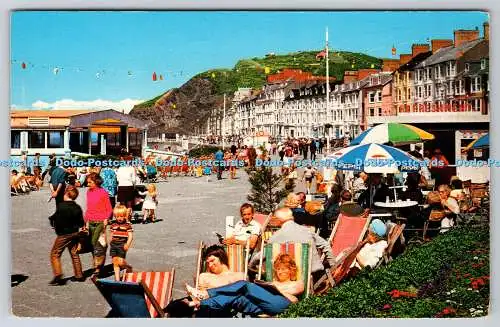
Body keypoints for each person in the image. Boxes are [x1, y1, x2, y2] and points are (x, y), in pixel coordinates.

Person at [182, 253, 304, 317]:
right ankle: (199, 303)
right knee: (236, 297)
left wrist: (270, 290)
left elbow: (297, 290)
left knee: (244, 285)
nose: (280, 271)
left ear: (291, 270)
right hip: (263, 307)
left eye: (284, 269)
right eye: (278, 269)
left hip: (283, 306)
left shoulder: (296, 283)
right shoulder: (271, 282)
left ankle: (206, 293)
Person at [252, 207, 337, 282]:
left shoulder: (276, 237)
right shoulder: (307, 231)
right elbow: (326, 245)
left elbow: (259, 256)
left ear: (279, 220)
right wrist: (333, 266)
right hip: (315, 276)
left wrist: (250, 266)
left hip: (293, 279)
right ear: (292, 217)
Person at [48, 186, 85, 285]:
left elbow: (56, 218)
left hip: (64, 234)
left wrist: (52, 221)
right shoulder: (77, 207)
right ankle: (79, 275)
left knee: (55, 253)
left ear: (66, 194)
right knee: (74, 253)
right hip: (75, 233)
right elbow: (81, 223)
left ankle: (58, 274)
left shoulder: (61, 206)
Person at [85, 172, 113, 278]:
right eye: (87, 182)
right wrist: (86, 221)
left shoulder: (103, 192)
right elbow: (88, 207)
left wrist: (106, 219)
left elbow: (109, 208)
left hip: (100, 222)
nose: (88, 184)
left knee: (100, 245)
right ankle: (97, 265)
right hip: (90, 221)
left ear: (96, 182)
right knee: (93, 245)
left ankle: (99, 269)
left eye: (90, 182)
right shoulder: (88, 192)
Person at [108, 205, 134, 281]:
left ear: (125, 216)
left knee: (120, 261)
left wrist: (127, 244)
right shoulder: (113, 225)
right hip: (113, 244)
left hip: (122, 244)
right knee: (115, 262)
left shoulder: (127, 225)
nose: (119, 218)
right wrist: (110, 240)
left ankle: (127, 267)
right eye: (117, 216)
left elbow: (130, 236)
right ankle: (117, 279)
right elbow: (112, 233)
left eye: (121, 216)